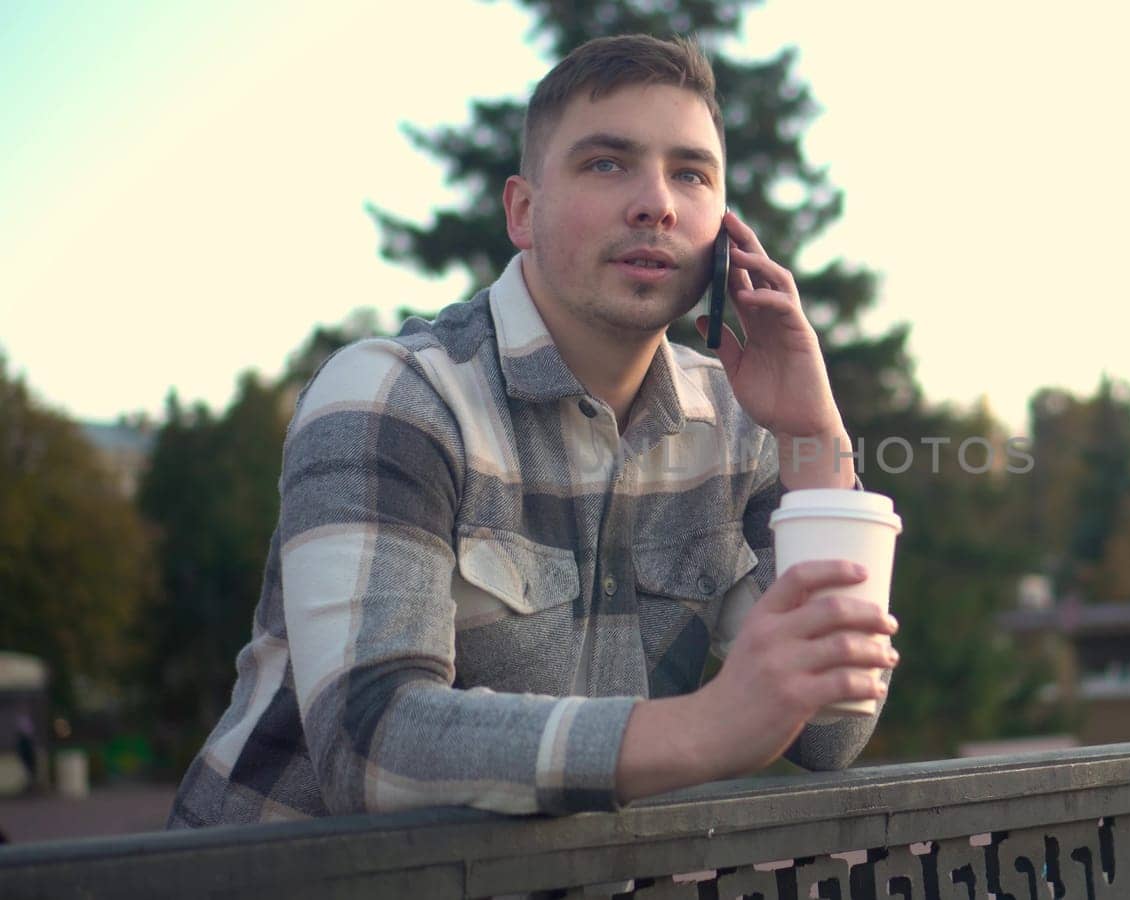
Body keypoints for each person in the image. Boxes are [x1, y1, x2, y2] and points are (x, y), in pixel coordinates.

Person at [166, 33, 897, 828]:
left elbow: (833, 729)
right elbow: (368, 746)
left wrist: (813, 436)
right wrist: (708, 728)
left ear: (723, 224)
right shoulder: (394, 393)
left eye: (690, 173)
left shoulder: (740, 424)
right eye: (606, 163)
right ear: (522, 210)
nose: (656, 201)